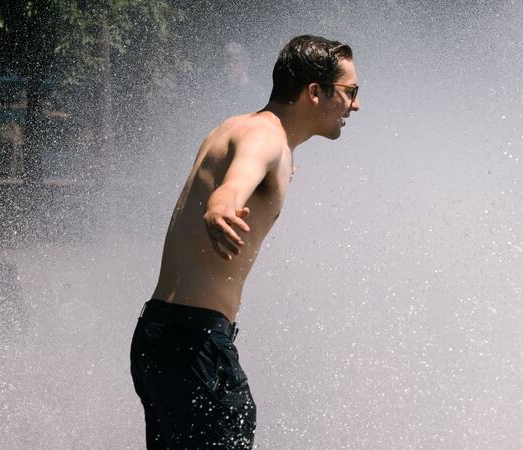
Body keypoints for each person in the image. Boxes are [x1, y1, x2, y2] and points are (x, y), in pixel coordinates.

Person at [130, 35, 360, 449]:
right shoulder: (265, 139)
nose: (355, 105)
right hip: (196, 345)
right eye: (349, 92)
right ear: (314, 92)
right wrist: (222, 206)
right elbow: (231, 188)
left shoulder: (236, 127)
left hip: (159, 335)